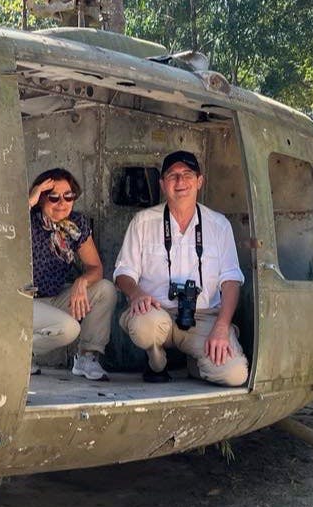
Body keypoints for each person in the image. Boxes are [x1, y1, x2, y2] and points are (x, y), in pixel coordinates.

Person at [112, 150, 248, 386]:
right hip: (156, 312)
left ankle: (197, 363)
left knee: (234, 375)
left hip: (203, 316)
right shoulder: (143, 222)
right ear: (163, 184)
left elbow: (231, 281)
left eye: (187, 174)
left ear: (199, 181)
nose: (180, 181)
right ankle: (156, 362)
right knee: (146, 326)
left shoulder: (219, 225)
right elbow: (123, 273)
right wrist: (136, 294)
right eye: (172, 176)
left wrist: (222, 327)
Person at [28, 168, 117, 380]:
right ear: (41, 199)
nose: (62, 203)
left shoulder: (75, 225)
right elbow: (0, 226)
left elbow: (95, 267)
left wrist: (81, 281)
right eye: (53, 197)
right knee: (68, 329)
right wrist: (30, 199)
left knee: (105, 289)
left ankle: (87, 357)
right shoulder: (26, 220)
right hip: (22, 301)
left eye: (68, 196)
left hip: (54, 297)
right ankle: (15, 354)